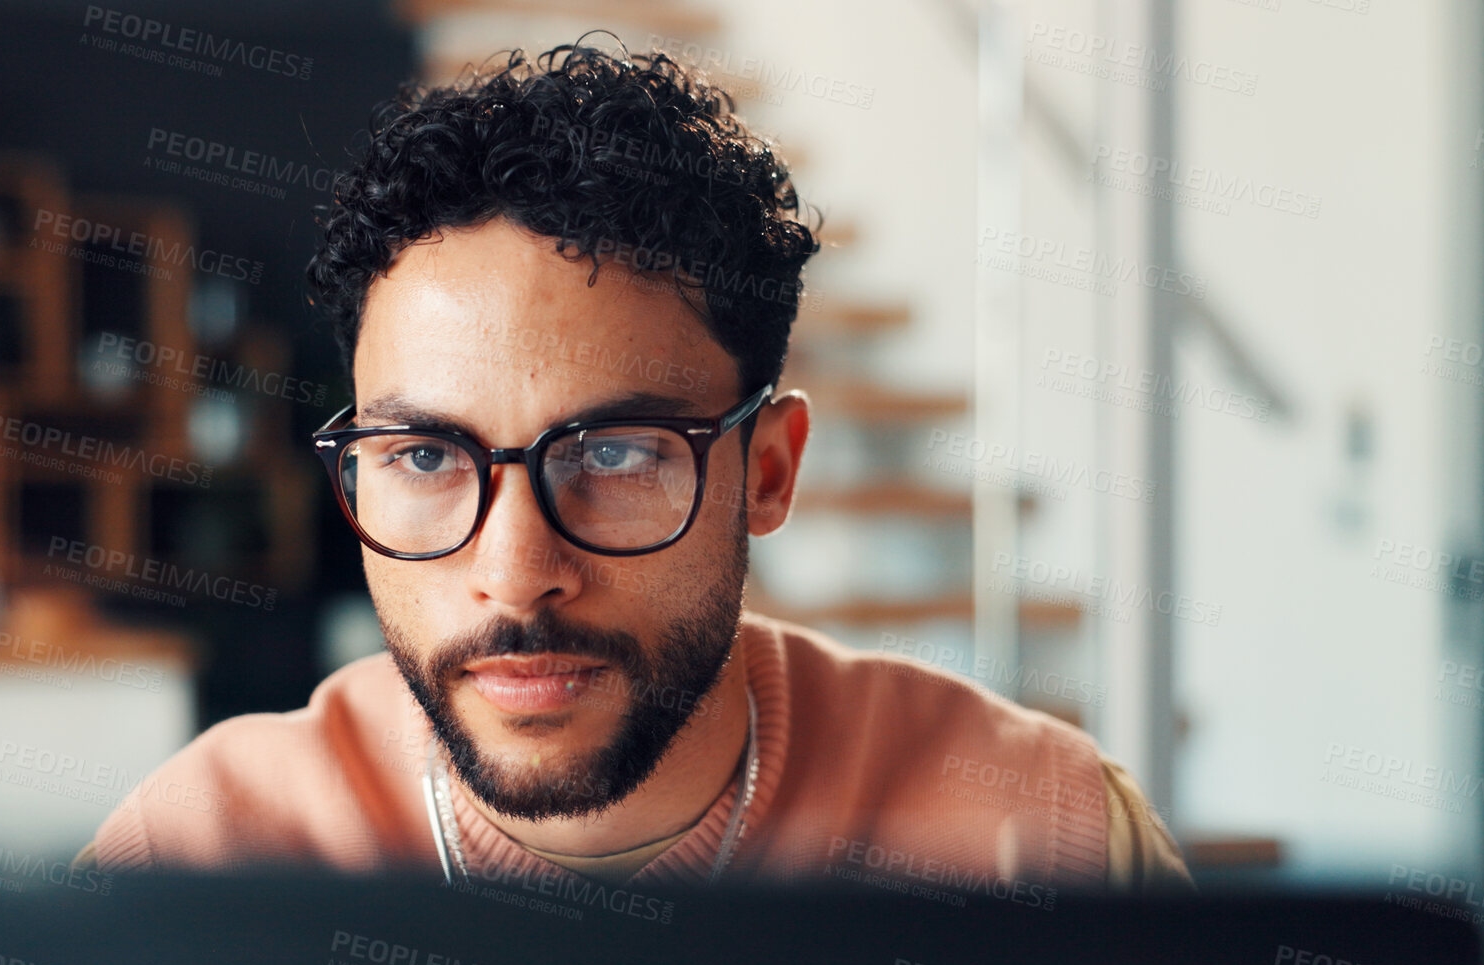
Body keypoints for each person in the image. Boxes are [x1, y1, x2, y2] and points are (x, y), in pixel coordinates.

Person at [74, 41, 1191, 895]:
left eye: (612, 454)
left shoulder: (1043, 840)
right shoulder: (198, 856)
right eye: (423, 455)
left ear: (769, 471)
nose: (516, 572)